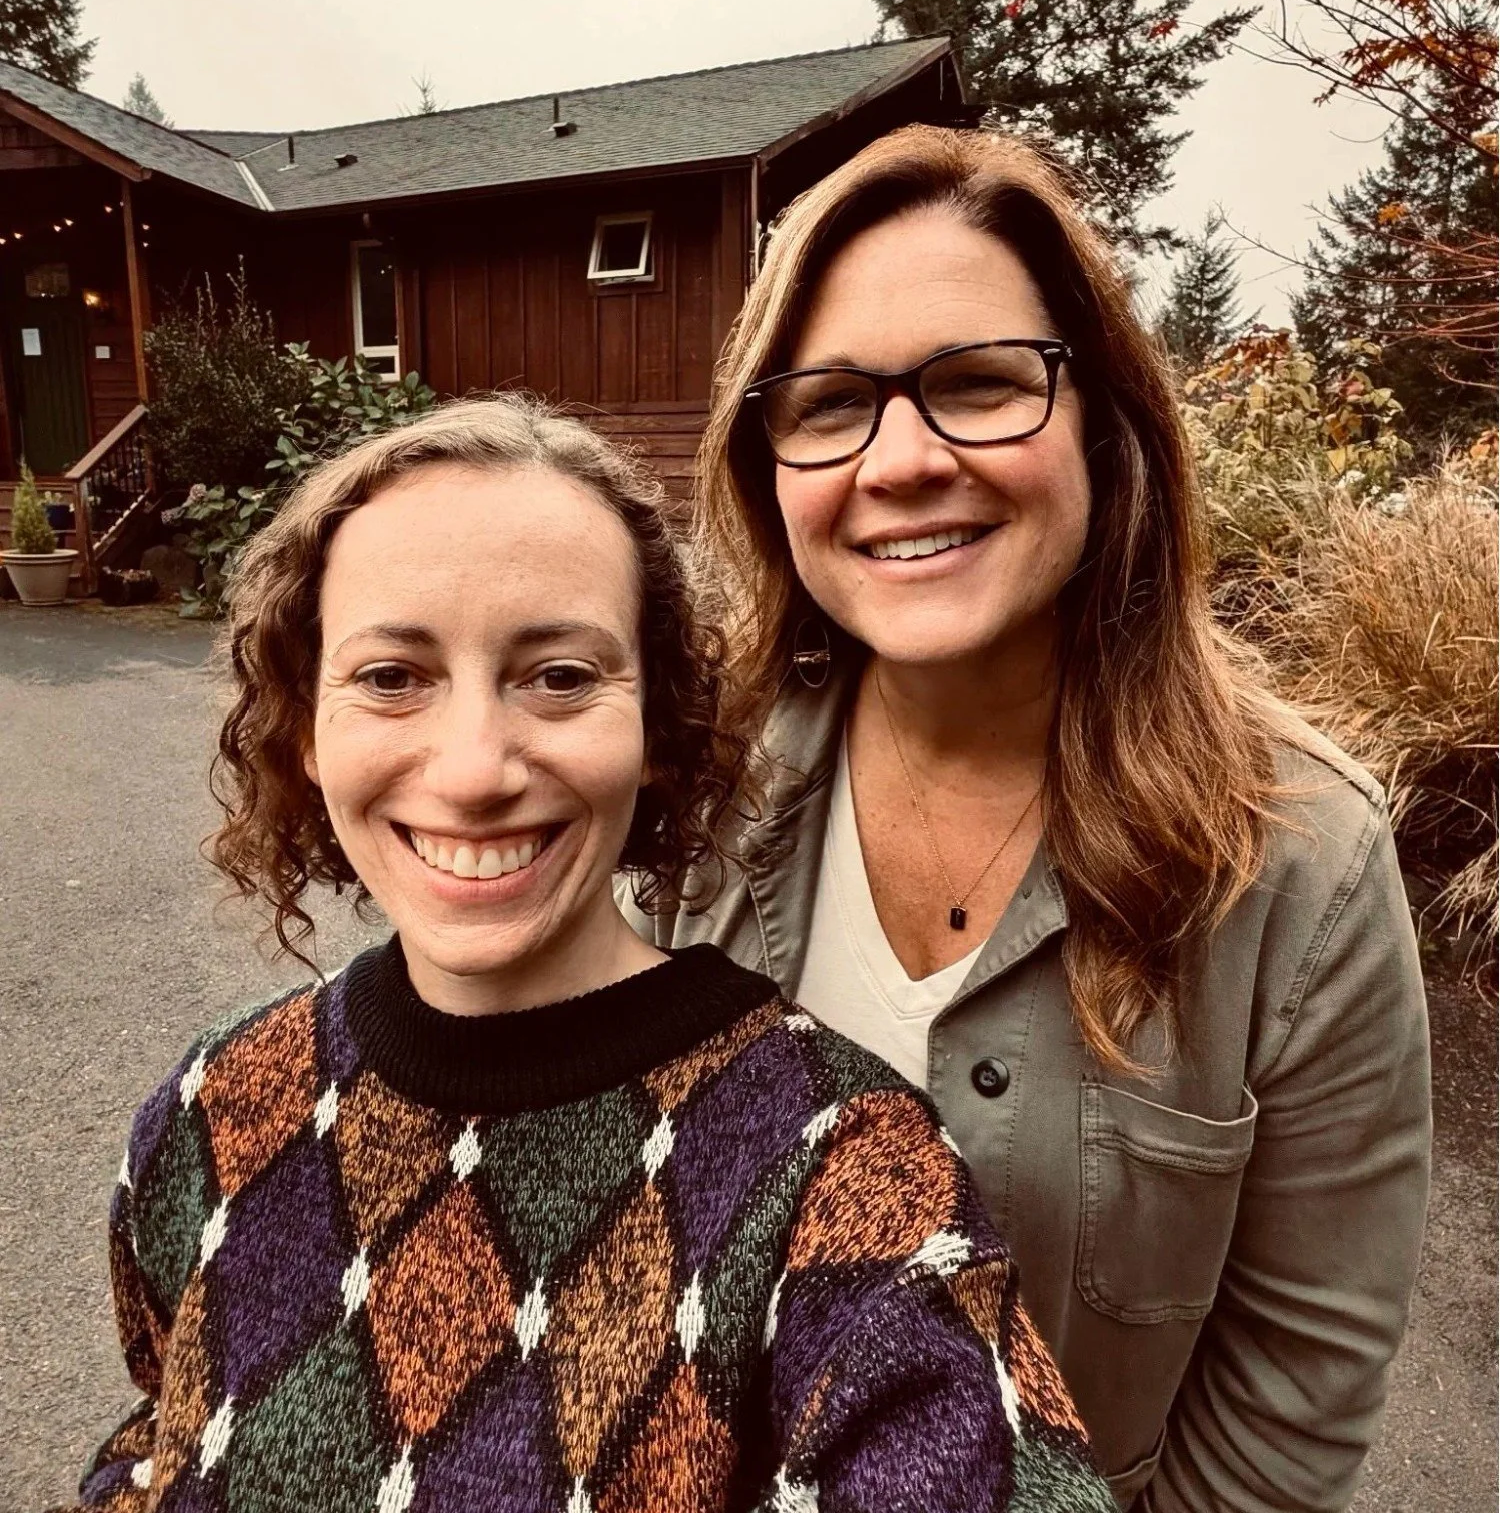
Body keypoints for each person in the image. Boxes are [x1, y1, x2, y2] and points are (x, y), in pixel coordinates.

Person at [67, 396, 1112, 1513]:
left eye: (560, 675)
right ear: (306, 730)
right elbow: (152, 1435)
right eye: (391, 676)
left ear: (659, 728)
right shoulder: (211, 1109)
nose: (473, 769)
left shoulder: (840, 1169)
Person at [622, 128, 1432, 1511]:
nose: (900, 460)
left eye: (980, 385)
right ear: (769, 463)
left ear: (1104, 423)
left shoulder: (1307, 868)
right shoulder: (698, 788)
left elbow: (1289, 1408)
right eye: (829, 405)